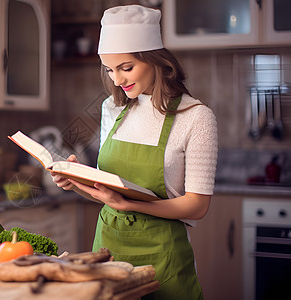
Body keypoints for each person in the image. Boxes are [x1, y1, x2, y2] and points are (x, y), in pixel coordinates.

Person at [52, 4, 218, 300]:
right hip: (108, 250)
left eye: (126, 68)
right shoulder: (112, 109)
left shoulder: (196, 117)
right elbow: (110, 193)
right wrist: (75, 181)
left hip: (163, 257)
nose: (117, 80)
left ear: (157, 61)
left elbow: (197, 206)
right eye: (110, 70)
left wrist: (130, 206)